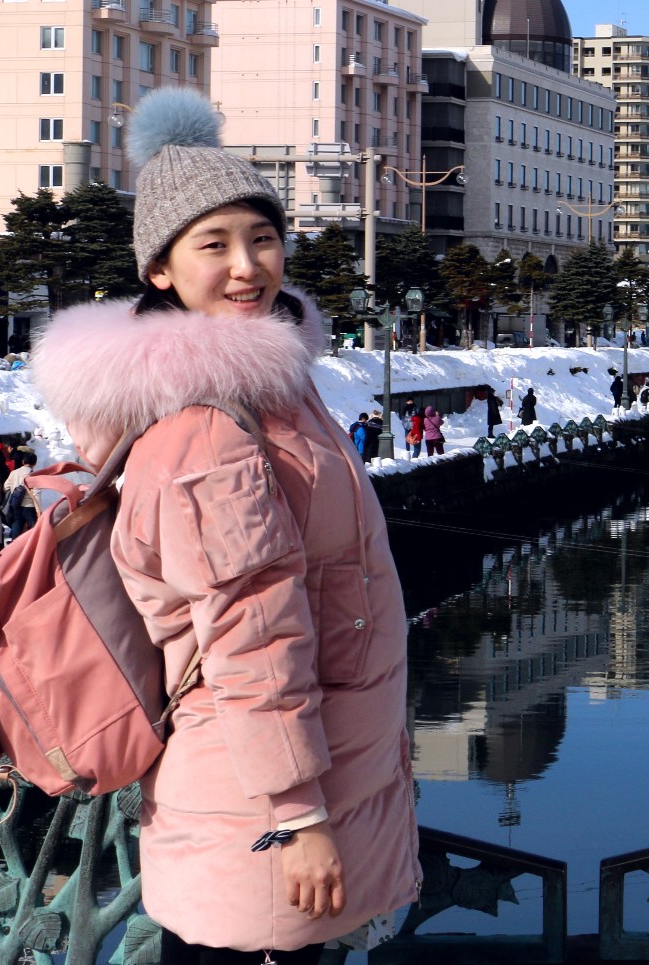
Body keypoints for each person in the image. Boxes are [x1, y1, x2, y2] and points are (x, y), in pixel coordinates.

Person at [27, 87, 415, 965]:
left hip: (285, 785)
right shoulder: (206, 427)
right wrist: (297, 818)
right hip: (261, 811)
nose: (248, 265)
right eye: (215, 244)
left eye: (263, 237)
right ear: (159, 269)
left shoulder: (270, 389)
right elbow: (252, 637)